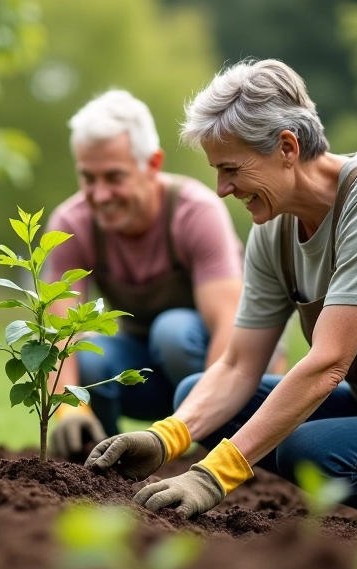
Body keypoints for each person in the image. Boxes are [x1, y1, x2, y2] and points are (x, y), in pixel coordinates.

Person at [85, 59, 357, 534]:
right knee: (190, 393)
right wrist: (165, 438)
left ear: (286, 147)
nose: (221, 189)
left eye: (231, 169)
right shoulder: (273, 226)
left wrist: (212, 476)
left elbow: (328, 364)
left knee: (311, 449)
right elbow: (239, 365)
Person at [44, 90, 245, 460]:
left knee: (173, 331)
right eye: (88, 177)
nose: (100, 194)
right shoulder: (72, 224)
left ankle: (212, 449)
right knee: (87, 355)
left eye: (114, 177)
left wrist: (189, 431)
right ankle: (103, 463)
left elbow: (230, 329)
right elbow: (60, 334)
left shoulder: (194, 213)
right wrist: (69, 406)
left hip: (208, 366)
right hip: (139, 369)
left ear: (152, 164)